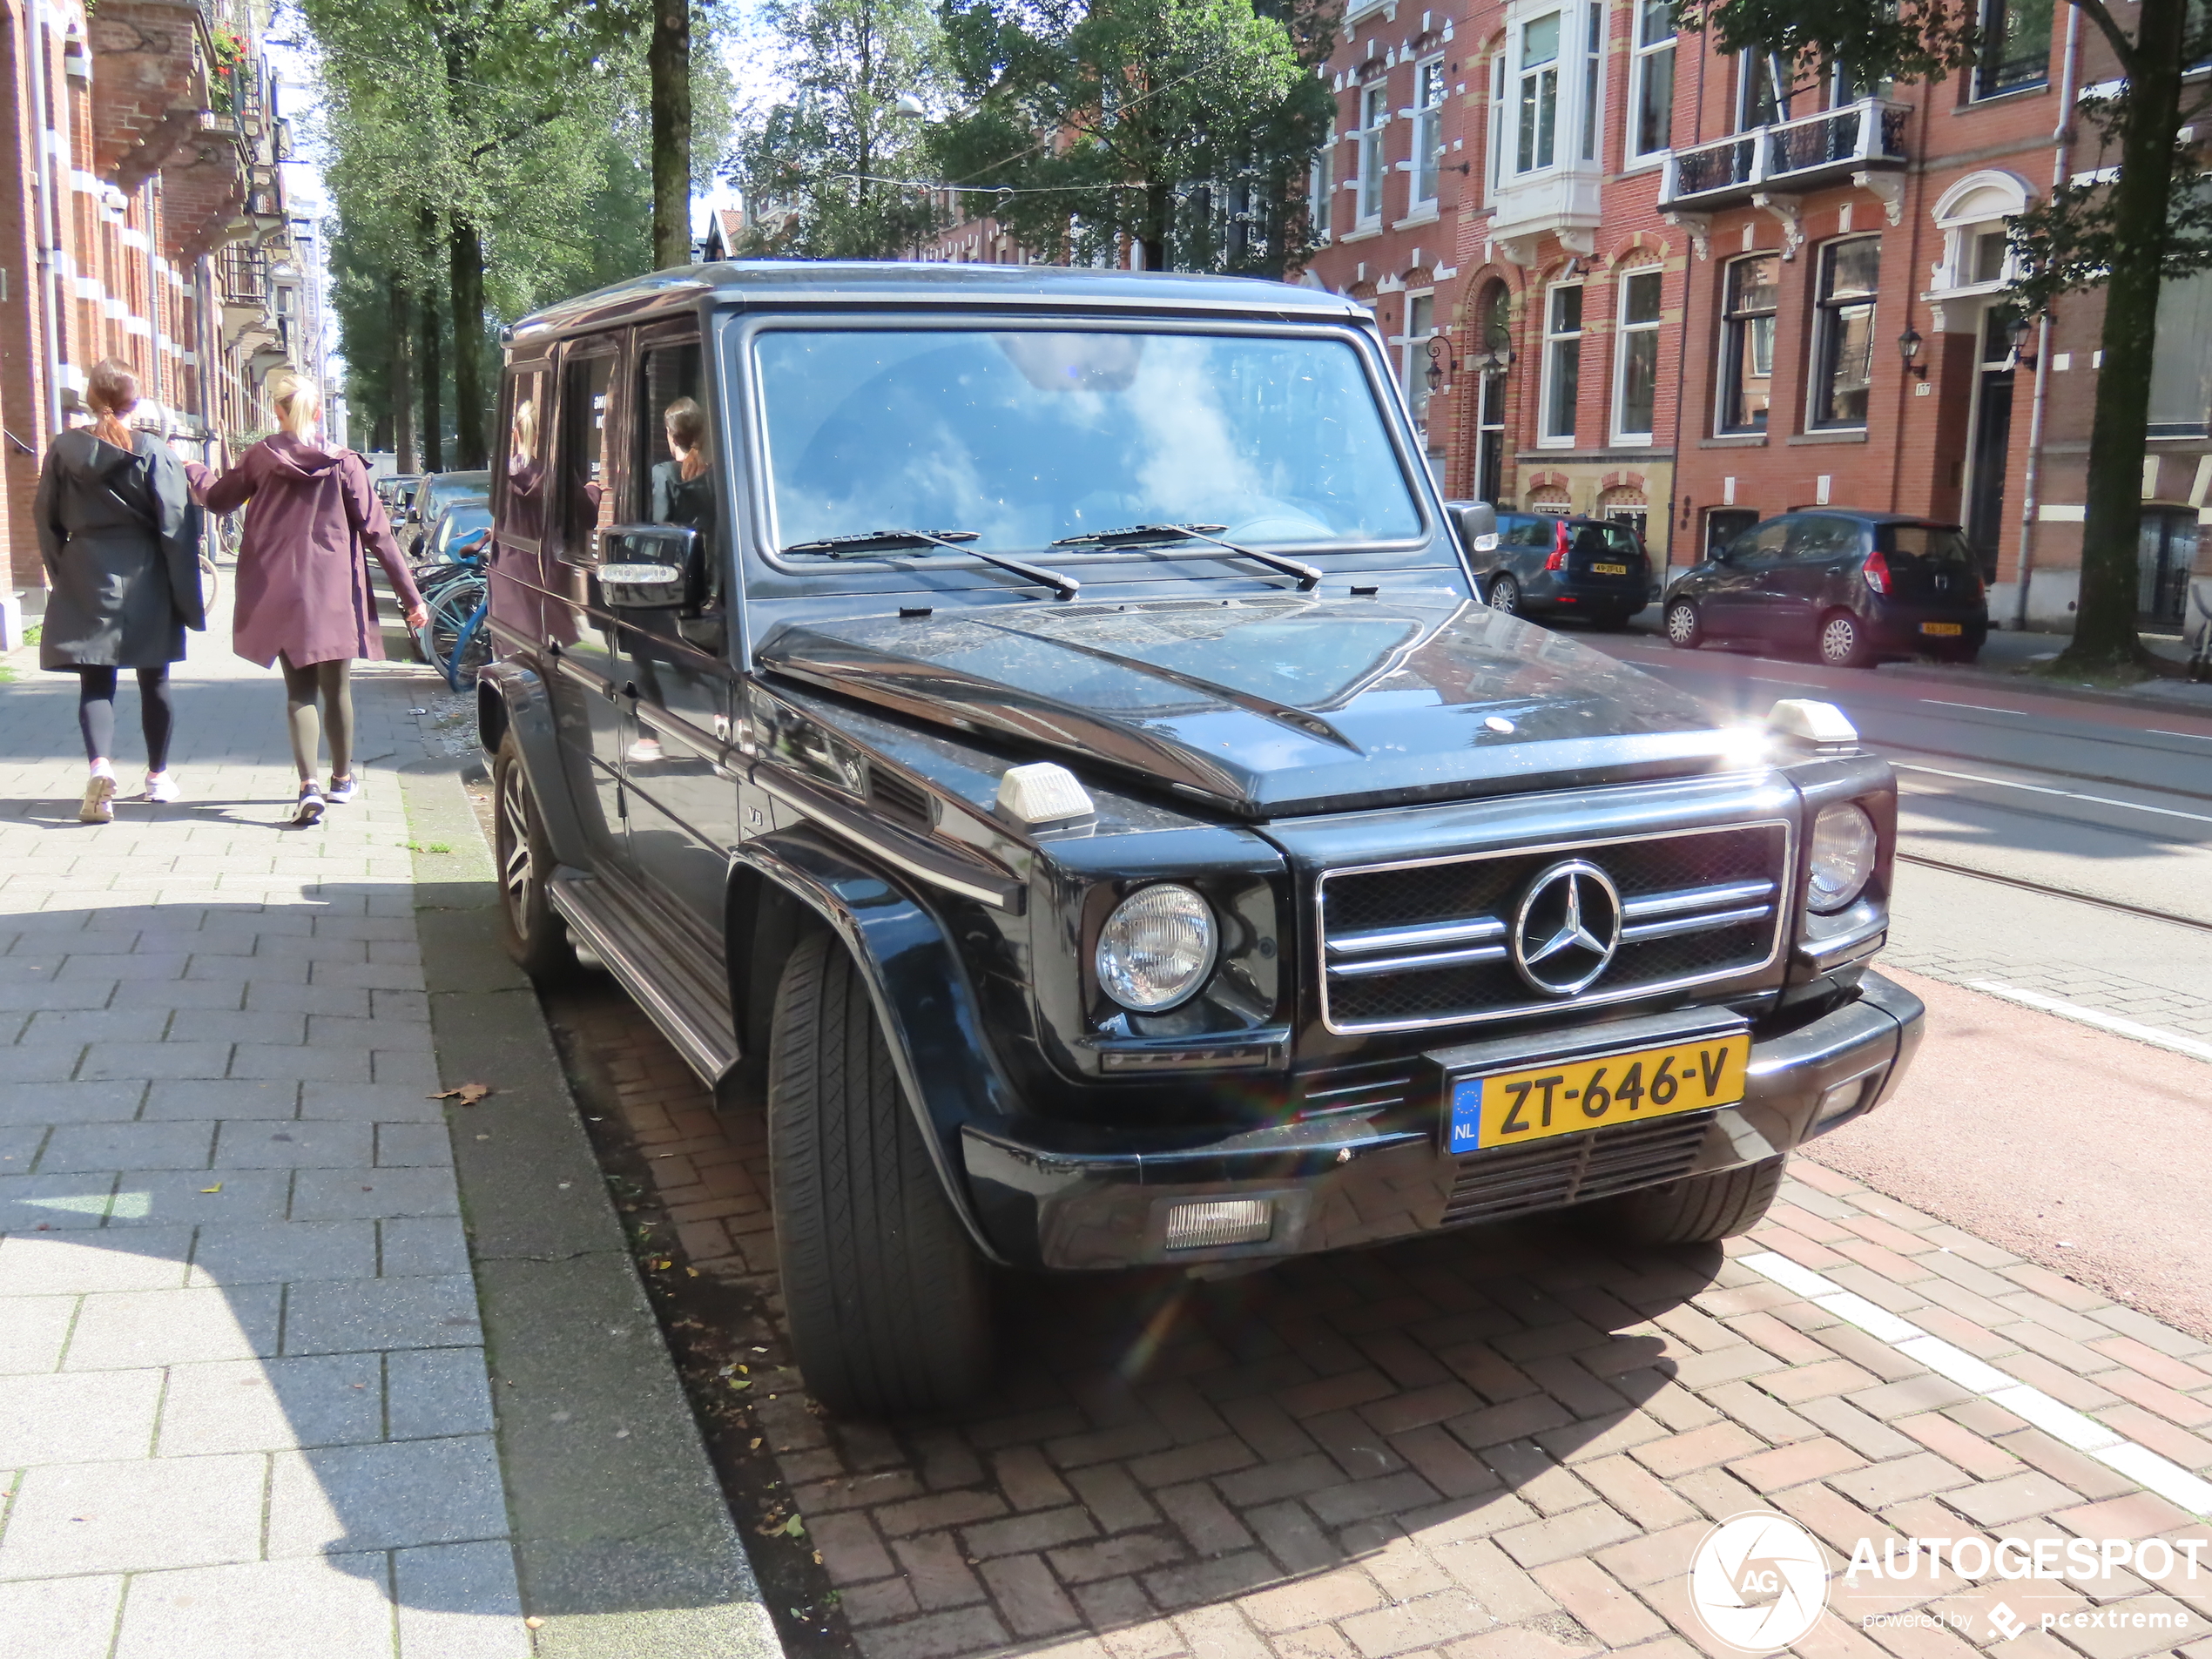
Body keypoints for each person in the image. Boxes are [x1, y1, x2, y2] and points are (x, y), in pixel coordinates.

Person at [185, 376, 428, 826]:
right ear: (318, 413)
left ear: (276, 411)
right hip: (335, 590)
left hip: (279, 588)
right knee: (337, 689)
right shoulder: (344, 463)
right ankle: (341, 781)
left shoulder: (261, 457)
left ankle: (307, 786)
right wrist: (411, 598)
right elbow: (378, 533)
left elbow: (218, 500)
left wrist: (195, 472)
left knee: (299, 691)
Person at [35, 358, 206, 823]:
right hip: (147, 571)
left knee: (95, 679)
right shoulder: (153, 450)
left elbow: (45, 519)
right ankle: (157, 776)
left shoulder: (63, 450)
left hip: (85, 567)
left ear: (91, 398)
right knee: (156, 678)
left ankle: (100, 768)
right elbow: (175, 526)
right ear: (135, 401)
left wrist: (62, 572)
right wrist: (184, 593)